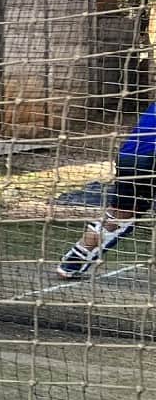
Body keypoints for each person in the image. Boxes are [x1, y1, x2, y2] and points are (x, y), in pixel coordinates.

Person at [53, 100, 154, 279]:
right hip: (149, 160)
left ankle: (71, 262)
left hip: (128, 158)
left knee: (118, 217)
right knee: (121, 217)